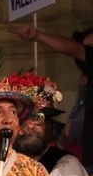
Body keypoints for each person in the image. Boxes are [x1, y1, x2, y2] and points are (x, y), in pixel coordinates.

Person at [11, 23, 93, 166]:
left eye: (38, 118)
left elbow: (74, 49)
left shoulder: (63, 166)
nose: (30, 126)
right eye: (24, 118)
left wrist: (36, 35)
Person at [6, 71, 88, 176]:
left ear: (49, 124)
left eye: (38, 118)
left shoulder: (66, 167)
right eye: (22, 119)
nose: (29, 125)